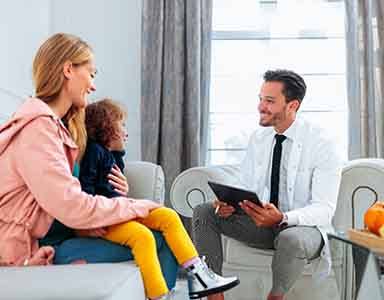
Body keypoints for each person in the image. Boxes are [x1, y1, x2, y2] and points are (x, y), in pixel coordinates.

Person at [0, 33, 239, 300]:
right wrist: (137, 206)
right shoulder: (37, 129)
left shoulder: (59, 127)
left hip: (71, 226)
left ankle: (198, 281)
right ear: (68, 69)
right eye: (91, 73)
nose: (92, 85)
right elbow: (70, 205)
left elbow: (71, 196)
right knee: (156, 240)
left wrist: (119, 203)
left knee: (165, 224)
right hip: (41, 243)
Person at [192, 69, 343, 300]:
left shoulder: (323, 144)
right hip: (263, 224)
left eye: (270, 101)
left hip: (304, 231)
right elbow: (245, 184)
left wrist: (283, 218)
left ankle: (276, 296)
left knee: (289, 238)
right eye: (261, 99)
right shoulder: (259, 139)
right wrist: (230, 204)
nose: (261, 106)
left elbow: (324, 209)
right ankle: (214, 294)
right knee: (204, 211)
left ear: (292, 106)